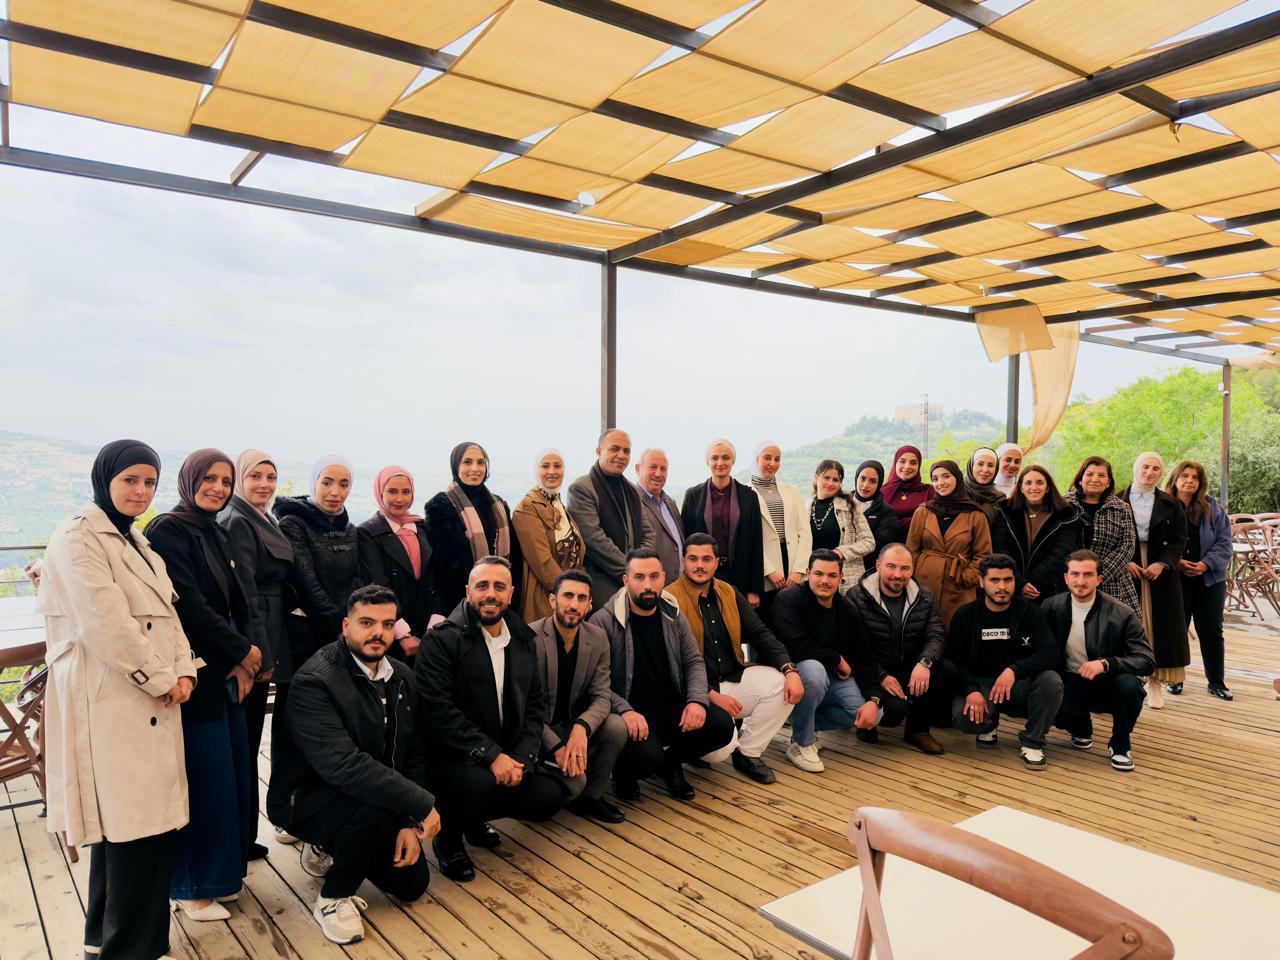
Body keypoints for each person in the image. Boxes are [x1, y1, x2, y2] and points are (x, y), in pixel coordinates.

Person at [38, 440, 196, 960]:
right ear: (104, 479)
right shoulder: (77, 537)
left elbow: (168, 615)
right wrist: (162, 678)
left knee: (134, 832)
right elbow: (105, 624)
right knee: (134, 834)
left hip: (146, 698)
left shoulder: (135, 540)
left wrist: (184, 670)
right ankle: (131, 950)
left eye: (150, 482)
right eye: (131, 480)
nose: (141, 491)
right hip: (112, 700)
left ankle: (103, 943)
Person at [267, 585, 438, 944]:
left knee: (411, 883)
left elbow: (414, 751)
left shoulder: (401, 677)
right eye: (367, 623)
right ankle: (333, 897)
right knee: (371, 812)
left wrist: (408, 821)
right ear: (346, 626)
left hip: (371, 796)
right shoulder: (315, 680)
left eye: (387, 624)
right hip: (305, 798)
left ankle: (332, 844)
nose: (378, 632)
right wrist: (420, 803)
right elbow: (344, 766)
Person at [146, 450, 265, 919]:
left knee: (229, 775)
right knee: (202, 778)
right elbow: (188, 605)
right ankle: (192, 888)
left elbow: (240, 598)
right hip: (193, 672)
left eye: (225, 480)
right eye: (209, 479)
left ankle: (222, 875)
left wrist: (244, 658)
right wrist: (239, 651)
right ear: (189, 480)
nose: (218, 487)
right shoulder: (168, 530)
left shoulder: (214, 529)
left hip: (223, 669)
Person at [415, 557, 563, 883]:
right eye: (482, 586)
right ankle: (449, 838)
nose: (491, 594)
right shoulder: (440, 641)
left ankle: (474, 819)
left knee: (547, 796)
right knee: (478, 784)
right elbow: (438, 713)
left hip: (505, 752)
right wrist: (491, 756)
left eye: (499, 586)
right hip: (453, 757)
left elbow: (535, 707)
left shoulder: (523, 639)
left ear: (511, 593)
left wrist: (521, 759)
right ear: (468, 591)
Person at [590, 550, 735, 803]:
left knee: (722, 726)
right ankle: (624, 773)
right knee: (648, 758)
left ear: (664, 577)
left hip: (671, 706)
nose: (648, 584)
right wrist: (624, 710)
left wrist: (696, 701)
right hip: (633, 713)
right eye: (639, 577)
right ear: (626, 580)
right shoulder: (603, 622)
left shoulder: (672, 613)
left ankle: (670, 764)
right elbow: (595, 682)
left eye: (654, 576)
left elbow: (693, 661)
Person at [667, 534, 804, 783]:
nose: (700, 565)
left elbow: (760, 634)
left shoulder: (728, 591)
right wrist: (711, 695)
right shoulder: (670, 599)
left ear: (716, 562)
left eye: (706, 559)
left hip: (731, 676)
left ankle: (748, 753)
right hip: (695, 691)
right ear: (683, 562)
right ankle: (690, 751)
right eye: (693, 559)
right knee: (720, 751)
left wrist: (790, 669)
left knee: (781, 683)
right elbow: (671, 666)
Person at [219, 449, 296, 850]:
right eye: (255, 477)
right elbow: (244, 591)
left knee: (250, 739)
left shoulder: (260, 516)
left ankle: (244, 835)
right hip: (257, 635)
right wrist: (258, 654)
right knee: (245, 741)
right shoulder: (237, 520)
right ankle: (240, 838)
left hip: (272, 628)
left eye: (271, 477)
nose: (264, 484)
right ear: (240, 479)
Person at [946, 554, 1063, 769]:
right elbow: (956, 659)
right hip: (982, 684)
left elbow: (1050, 653)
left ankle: (1033, 742)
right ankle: (989, 723)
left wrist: (1014, 670)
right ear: (981, 582)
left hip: (1018, 684)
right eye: (995, 580)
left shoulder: (1031, 612)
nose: (1002, 587)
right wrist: (971, 690)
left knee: (1051, 681)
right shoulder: (965, 615)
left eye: (1008, 580)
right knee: (967, 721)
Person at [529, 570, 627, 823]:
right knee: (574, 783)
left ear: (589, 604)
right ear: (553, 600)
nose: (574, 605)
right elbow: (525, 709)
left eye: (581, 598)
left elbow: (602, 696)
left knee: (617, 726)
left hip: (572, 725)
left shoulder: (598, 638)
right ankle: (557, 781)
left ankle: (591, 798)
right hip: (539, 733)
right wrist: (557, 747)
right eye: (568, 596)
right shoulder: (531, 638)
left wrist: (582, 728)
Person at [1044, 551, 1154, 772]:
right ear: (1065, 578)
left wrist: (1105, 663)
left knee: (1131, 687)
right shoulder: (1050, 607)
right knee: (1045, 685)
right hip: (1069, 680)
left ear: (1099, 579)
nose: (1080, 581)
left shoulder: (1121, 613)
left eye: (1088, 574)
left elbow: (1146, 660)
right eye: (1075, 574)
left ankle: (1120, 744)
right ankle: (1080, 727)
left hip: (1107, 682)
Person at [846, 544, 949, 755]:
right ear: (878, 565)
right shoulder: (856, 597)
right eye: (891, 567)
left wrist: (925, 662)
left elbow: (936, 634)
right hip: (872, 670)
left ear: (913, 569)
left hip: (908, 666)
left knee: (947, 670)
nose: (898, 574)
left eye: (905, 568)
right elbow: (853, 648)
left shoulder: (924, 595)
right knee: (894, 712)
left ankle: (917, 730)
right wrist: (881, 676)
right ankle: (867, 724)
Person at [772, 550, 865, 774]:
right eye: (818, 574)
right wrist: (837, 659)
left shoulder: (846, 608)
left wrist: (874, 697)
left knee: (861, 712)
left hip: (828, 673)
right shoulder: (789, 599)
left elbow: (862, 652)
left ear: (841, 577)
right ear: (808, 573)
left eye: (832, 575)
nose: (825, 581)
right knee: (815, 670)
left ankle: (804, 722)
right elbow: (796, 645)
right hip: (791, 672)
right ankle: (801, 742)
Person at [275, 455, 362, 666]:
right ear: (314, 483)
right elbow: (307, 583)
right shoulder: (293, 524)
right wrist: (339, 625)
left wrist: (354, 623)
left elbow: (358, 580)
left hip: (348, 631)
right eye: (326, 483)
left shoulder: (350, 529)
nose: (335, 492)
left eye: (344, 485)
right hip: (308, 634)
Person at [1120, 452, 1187, 710]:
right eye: (1145, 466)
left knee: (1159, 626)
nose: (1149, 472)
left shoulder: (1172, 503)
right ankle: (1127, 680)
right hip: (1126, 566)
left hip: (1160, 569)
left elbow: (1179, 539)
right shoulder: (1115, 500)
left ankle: (1156, 683)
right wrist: (1125, 561)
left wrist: (1163, 563)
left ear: (1162, 472)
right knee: (1129, 623)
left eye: (1156, 468)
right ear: (1136, 468)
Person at [425, 442, 522, 615]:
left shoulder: (499, 505)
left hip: (501, 602)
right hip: (462, 604)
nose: (475, 468)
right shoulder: (440, 505)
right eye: (467, 462)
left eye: (481, 462)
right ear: (456, 466)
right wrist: (477, 597)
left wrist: (508, 597)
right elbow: (445, 565)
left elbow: (515, 557)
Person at [1165, 460, 1233, 700]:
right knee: (1176, 629)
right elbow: (1155, 542)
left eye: (1195, 477)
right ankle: (1174, 678)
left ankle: (1216, 682)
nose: (1189, 481)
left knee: (1212, 630)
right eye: (1185, 476)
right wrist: (1176, 562)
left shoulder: (1213, 509)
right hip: (1175, 578)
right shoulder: (1163, 507)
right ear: (1175, 479)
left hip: (1209, 579)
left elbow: (1224, 543)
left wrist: (1206, 564)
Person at [568, 429, 655, 609]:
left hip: (635, 585)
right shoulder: (581, 488)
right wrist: (633, 572)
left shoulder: (632, 490)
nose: (621, 455)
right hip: (603, 588)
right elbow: (594, 539)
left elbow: (648, 533)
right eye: (614, 449)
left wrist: (640, 569)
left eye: (626, 451)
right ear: (599, 451)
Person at [359, 466, 439, 660]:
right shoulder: (368, 532)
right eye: (392, 491)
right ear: (380, 492)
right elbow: (378, 585)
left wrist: (435, 626)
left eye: (406, 492)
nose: (400, 499)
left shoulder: (422, 527)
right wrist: (402, 634)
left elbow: (436, 577)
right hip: (392, 630)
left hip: (428, 628)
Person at [906, 459, 991, 629]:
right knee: (923, 632)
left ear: (957, 478)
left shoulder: (975, 515)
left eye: (946, 476)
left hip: (958, 588)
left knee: (957, 632)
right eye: (935, 479)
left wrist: (966, 578)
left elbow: (984, 555)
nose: (940, 483)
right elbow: (911, 550)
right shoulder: (923, 511)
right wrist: (914, 578)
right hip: (924, 586)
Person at [680, 439, 764, 605]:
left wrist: (754, 588)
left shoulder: (749, 497)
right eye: (715, 458)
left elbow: (756, 542)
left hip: (739, 574)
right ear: (708, 461)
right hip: (701, 572)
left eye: (726, 458)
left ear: (733, 461)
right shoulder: (693, 495)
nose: (720, 463)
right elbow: (686, 539)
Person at [512, 450, 585, 622]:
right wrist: (568, 593)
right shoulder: (527, 507)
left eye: (557, 466)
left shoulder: (556, 503)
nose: (552, 471)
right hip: (547, 600)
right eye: (545, 466)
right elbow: (542, 562)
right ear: (536, 471)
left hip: (570, 600)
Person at [990, 465, 1079, 605]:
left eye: (1040, 482)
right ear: (1021, 488)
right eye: (1028, 483)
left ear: (1047, 487)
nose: (1034, 487)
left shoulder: (1065, 514)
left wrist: (1032, 583)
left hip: (1048, 590)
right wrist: (1020, 583)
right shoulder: (1006, 510)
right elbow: (1000, 549)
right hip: (1010, 586)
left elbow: (1060, 554)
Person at [1064, 456, 1138, 611]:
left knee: (1116, 625)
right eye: (1089, 474)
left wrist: (1097, 575)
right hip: (1071, 581)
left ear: (1109, 481)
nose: (1095, 479)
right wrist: (1079, 575)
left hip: (1113, 583)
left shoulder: (1121, 508)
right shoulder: (1064, 505)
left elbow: (1127, 546)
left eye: (1102, 475)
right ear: (1080, 479)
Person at [751, 443, 811, 624]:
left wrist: (798, 570)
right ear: (756, 460)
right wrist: (769, 571)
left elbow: (804, 532)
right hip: (765, 568)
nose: (773, 463)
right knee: (768, 622)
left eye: (777, 459)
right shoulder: (746, 492)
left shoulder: (791, 491)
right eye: (767, 458)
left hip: (792, 564)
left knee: (794, 620)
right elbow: (748, 539)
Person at [808, 459, 876, 594]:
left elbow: (869, 542)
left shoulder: (850, 506)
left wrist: (841, 552)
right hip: (816, 579)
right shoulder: (805, 507)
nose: (830, 483)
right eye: (826, 477)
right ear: (816, 478)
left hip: (846, 580)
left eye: (836, 480)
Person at [634, 447, 684, 587]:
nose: (658, 473)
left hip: (678, 586)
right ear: (638, 468)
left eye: (663, 469)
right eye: (653, 467)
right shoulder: (631, 502)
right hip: (651, 587)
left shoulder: (670, 502)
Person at [851, 459, 900, 562]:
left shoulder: (886, 512)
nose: (865, 485)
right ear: (856, 478)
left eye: (873, 481)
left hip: (868, 566)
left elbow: (881, 545)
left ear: (879, 484)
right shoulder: (840, 503)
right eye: (862, 478)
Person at [881, 445, 934, 535]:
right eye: (902, 461)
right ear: (895, 463)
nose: (907, 466)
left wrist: (894, 523)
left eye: (913, 463)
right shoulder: (882, 492)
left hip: (920, 542)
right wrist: (917, 521)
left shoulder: (928, 491)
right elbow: (878, 523)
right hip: (888, 542)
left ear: (918, 466)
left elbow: (932, 520)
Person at [964, 447, 1006, 523]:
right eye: (980, 464)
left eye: (990, 465)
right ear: (972, 466)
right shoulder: (958, 493)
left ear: (996, 469)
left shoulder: (1000, 500)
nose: (985, 470)